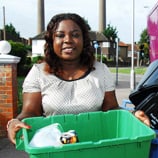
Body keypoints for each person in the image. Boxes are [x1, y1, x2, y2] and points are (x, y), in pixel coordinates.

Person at [7, 13, 149, 145]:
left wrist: (133, 116)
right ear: (52, 40)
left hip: (94, 147)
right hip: (53, 150)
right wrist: (16, 122)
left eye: (75, 35)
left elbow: (111, 109)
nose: (68, 40)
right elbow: (31, 112)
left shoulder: (101, 70)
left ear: (84, 40)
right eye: (60, 35)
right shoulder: (38, 73)